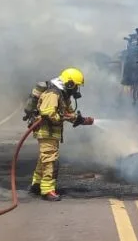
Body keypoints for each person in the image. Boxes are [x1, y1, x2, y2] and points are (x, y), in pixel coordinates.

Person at [28, 67, 93, 201]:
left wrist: (81, 120)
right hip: (47, 131)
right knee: (50, 160)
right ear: (69, 83)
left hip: (51, 132)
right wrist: (63, 117)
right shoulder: (53, 93)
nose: (76, 90)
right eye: (75, 86)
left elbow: (68, 112)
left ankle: (37, 184)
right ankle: (47, 190)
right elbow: (48, 113)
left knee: (44, 158)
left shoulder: (63, 95)